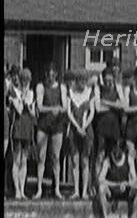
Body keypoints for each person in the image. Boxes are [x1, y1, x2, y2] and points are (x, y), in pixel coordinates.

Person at [96, 140, 137, 218]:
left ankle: (133, 217)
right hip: (112, 190)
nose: (116, 156)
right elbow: (100, 179)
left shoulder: (129, 159)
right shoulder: (108, 160)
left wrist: (126, 183)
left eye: (119, 153)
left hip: (126, 190)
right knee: (101, 188)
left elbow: (135, 180)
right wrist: (115, 184)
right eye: (115, 153)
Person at [34, 62, 67, 199]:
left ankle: (57, 189)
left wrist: (59, 109)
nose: (51, 77)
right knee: (41, 157)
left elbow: (64, 106)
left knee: (56, 157)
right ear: (46, 74)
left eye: (53, 74)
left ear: (56, 75)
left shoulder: (62, 87)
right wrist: (53, 109)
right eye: (49, 74)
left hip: (57, 125)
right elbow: (40, 107)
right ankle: (39, 189)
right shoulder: (41, 86)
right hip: (43, 124)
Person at [93, 67, 126, 183]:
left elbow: (123, 105)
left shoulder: (118, 88)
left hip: (114, 126)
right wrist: (115, 105)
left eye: (110, 80)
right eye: (106, 80)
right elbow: (98, 108)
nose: (108, 83)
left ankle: (111, 181)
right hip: (102, 125)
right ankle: (97, 183)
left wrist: (106, 102)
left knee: (113, 154)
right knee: (100, 155)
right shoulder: (98, 89)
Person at [67, 70, 95, 200]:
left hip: (86, 129)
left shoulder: (90, 92)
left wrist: (83, 127)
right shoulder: (71, 92)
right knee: (75, 160)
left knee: (85, 160)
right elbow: (69, 112)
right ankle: (76, 190)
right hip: (74, 129)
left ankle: (84, 191)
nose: (82, 83)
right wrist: (77, 127)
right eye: (80, 80)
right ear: (77, 81)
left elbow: (92, 112)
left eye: (84, 80)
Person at [8, 69, 35, 199]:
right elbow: (18, 110)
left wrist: (28, 102)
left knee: (24, 160)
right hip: (17, 127)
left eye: (27, 80)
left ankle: (22, 190)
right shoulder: (13, 92)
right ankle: (17, 190)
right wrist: (22, 96)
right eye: (24, 80)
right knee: (16, 159)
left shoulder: (31, 93)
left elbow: (32, 112)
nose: (25, 83)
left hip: (27, 127)